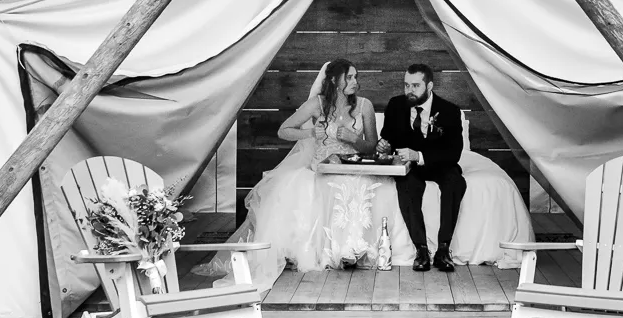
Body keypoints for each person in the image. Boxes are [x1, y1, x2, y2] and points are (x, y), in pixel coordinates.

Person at [198, 60, 381, 286]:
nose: (356, 82)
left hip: (351, 167)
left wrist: (354, 139)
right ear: (334, 80)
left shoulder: (364, 106)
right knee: (299, 188)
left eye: (356, 77)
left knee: (360, 187)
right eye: (350, 77)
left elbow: (372, 145)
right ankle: (320, 251)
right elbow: (283, 130)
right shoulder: (317, 104)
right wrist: (312, 133)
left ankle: (352, 250)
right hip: (320, 167)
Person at [378, 63, 466, 273]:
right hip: (410, 168)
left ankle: (444, 249)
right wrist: (384, 145)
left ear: (429, 86)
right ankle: (422, 250)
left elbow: (454, 153)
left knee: (455, 182)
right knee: (407, 185)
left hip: (439, 164)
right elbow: (387, 137)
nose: (409, 90)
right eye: (406, 85)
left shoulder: (450, 111)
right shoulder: (395, 105)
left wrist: (419, 155)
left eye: (415, 85)